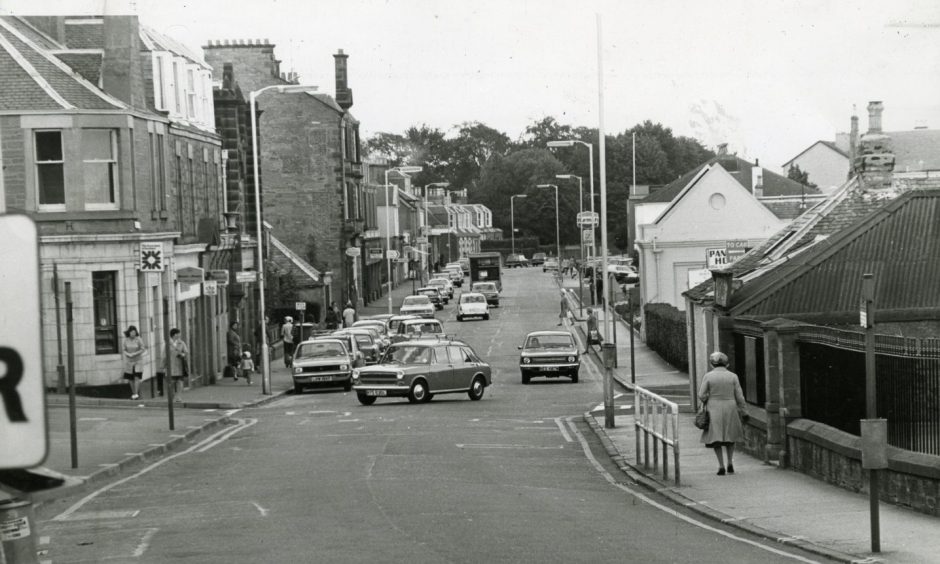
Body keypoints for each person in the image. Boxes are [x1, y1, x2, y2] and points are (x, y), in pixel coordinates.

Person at [698, 352, 748, 476]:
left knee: (717, 438)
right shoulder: (733, 376)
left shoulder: (708, 376)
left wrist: (707, 398)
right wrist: (744, 411)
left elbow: (701, 395)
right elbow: (740, 396)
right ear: (726, 364)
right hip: (730, 407)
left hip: (714, 407)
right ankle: (730, 462)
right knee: (730, 436)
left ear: (712, 364)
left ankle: (721, 466)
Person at [122, 325, 146, 400]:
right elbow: (123, 349)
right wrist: (127, 354)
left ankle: (136, 394)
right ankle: (134, 393)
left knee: (136, 376)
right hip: (129, 361)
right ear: (129, 333)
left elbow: (143, 349)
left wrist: (135, 353)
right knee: (130, 378)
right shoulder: (126, 340)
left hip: (138, 360)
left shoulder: (138, 339)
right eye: (132, 332)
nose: (133, 334)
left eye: (134, 332)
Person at [167, 328, 189, 402]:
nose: (180, 335)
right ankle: (172, 395)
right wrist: (162, 366)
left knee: (180, 382)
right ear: (175, 334)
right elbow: (164, 355)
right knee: (172, 382)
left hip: (179, 365)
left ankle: (178, 397)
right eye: (178, 333)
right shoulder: (168, 343)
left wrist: (182, 354)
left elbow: (186, 352)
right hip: (171, 365)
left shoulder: (181, 343)